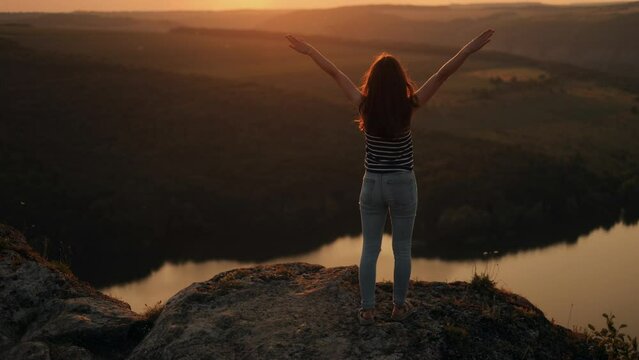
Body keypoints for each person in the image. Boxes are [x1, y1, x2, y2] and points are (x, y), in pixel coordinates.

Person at [285, 29, 495, 325]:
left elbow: (334, 73)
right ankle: (398, 307)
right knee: (402, 249)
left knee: (370, 249)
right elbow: (443, 74)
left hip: (371, 184)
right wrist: (468, 50)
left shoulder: (363, 104)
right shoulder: (410, 106)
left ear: (372, 81)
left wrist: (310, 51)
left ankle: (368, 309)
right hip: (402, 184)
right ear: (400, 82)